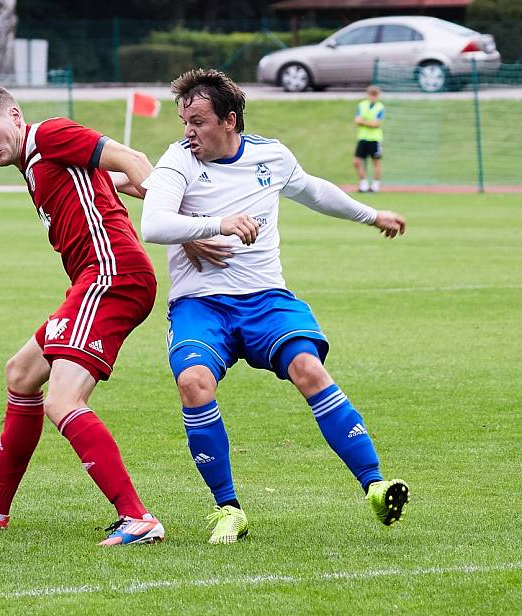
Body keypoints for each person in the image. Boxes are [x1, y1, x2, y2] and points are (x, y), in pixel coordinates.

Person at [140, 69, 409, 545]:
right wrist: (216, 224)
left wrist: (371, 214)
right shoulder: (179, 160)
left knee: (309, 367)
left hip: (267, 300)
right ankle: (228, 508)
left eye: (198, 121)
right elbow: (155, 223)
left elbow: (313, 190)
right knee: (193, 381)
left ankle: (375, 485)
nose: (188, 131)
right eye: (184, 120)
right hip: (202, 306)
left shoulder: (271, 154)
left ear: (230, 119)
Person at [0, 85, 164, 546]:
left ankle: (139, 518)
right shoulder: (36, 165)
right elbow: (117, 182)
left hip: (112, 275)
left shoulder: (50, 135)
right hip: (96, 280)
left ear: (14, 116)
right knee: (21, 373)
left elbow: (133, 161)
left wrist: (179, 223)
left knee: (62, 402)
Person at [353, 85, 385, 193]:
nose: (373, 97)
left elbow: (376, 124)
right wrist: (368, 123)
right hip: (362, 137)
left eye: (375, 95)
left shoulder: (380, 107)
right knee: (357, 161)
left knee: (375, 162)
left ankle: (375, 185)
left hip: (375, 139)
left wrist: (364, 121)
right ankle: (364, 184)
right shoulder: (362, 105)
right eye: (371, 95)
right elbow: (357, 121)